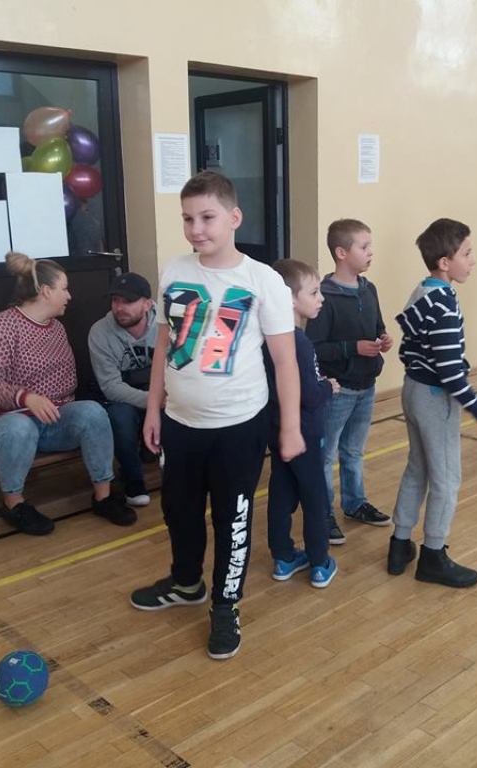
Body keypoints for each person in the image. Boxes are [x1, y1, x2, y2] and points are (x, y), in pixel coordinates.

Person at [129, 171, 303, 661]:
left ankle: (226, 605)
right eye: (188, 219)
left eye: (207, 217)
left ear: (234, 217)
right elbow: (164, 344)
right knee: (179, 511)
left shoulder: (262, 280)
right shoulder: (174, 270)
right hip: (180, 424)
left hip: (238, 428)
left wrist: (289, 427)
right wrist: (153, 407)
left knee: (233, 518)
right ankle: (187, 583)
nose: (196, 229)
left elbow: (285, 361)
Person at [0, 252, 136, 536]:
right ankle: (14, 504)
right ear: (46, 291)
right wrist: (27, 398)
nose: (69, 295)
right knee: (20, 427)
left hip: (52, 419)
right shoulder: (2, 326)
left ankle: (104, 496)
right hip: (7, 422)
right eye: (64, 288)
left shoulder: (57, 328)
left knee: (93, 412)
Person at [389, 218, 477, 587]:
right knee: (447, 478)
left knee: (418, 468)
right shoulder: (444, 304)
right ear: (444, 262)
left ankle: (400, 544)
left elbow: (411, 349)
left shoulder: (423, 292)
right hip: (434, 399)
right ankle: (433, 556)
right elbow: (451, 374)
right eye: (466, 254)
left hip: (413, 389)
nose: (473, 260)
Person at [305, 219, 393, 545]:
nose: (371, 252)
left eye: (370, 246)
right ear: (342, 253)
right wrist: (353, 348)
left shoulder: (370, 290)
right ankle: (322, 512)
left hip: (366, 385)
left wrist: (383, 338)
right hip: (338, 390)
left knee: (354, 451)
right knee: (326, 455)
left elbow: (377, 326)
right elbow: (315, 348)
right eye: (364, 247)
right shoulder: (324, 297)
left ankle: (355, 503)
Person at [265, 259, 340, 589]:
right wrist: (328, 387)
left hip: (275, 428)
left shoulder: (268, 337)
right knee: (314, 496)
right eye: (314, 292)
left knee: (281, 492)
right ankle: (320, 562)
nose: (320, 298)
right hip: (304, 432)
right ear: (290, 299)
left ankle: (283, 558)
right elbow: (308, 394)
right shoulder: (298, 341)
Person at [88, 272, 157, 507]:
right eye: (115, 300)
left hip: (157, 389)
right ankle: (133, 480)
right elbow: (111, 387)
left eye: (128, 301)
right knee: (120, 417)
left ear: (147, 304)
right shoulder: (100, 332)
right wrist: (154, 401)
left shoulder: (166, 325)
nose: (119, 308)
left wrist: (163, 399)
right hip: (122, 395)